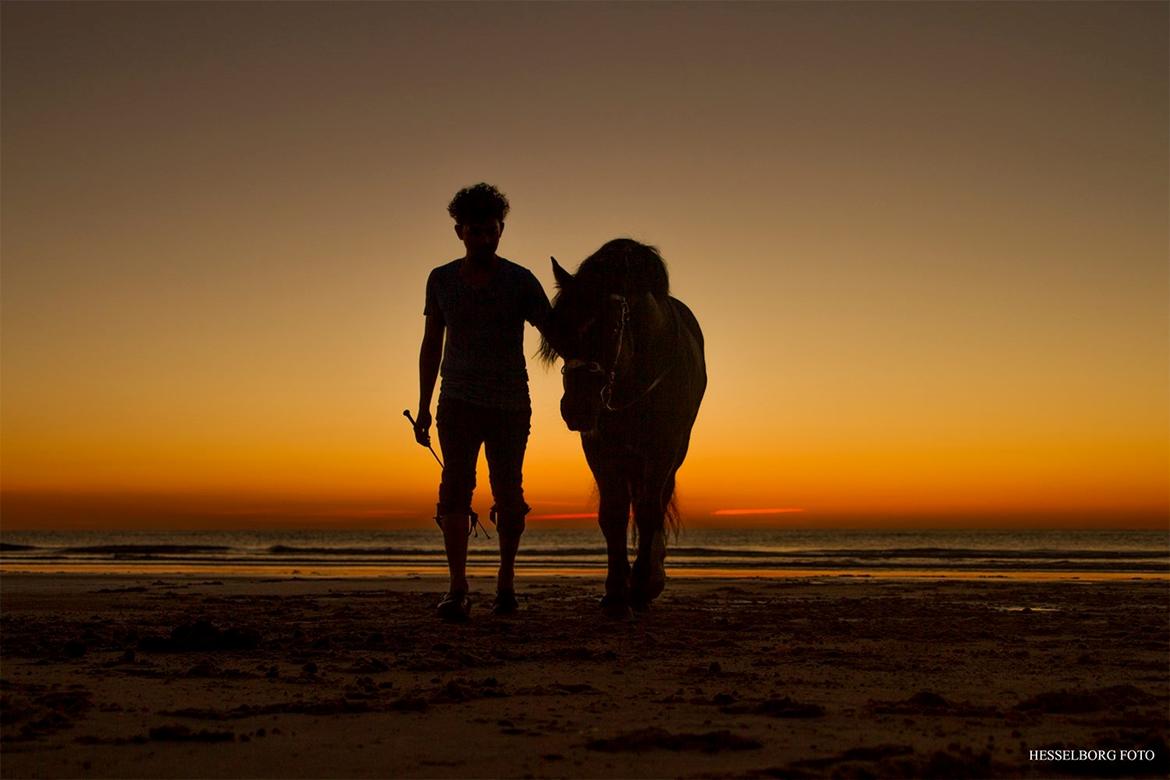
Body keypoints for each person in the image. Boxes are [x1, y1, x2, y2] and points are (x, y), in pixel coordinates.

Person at [413, 183, 550, 622]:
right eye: (474, 231)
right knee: (454, 489)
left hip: (510, 403)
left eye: (491, 231)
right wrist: (422, 407)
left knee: (509, 492)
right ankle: (458, 588)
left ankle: (506, 585)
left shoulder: (520, 280)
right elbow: (431, 343)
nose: (484, 239)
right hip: (455, 401)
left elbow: (556, 332)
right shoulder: (441, 279)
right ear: (459, 231)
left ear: (501, 229)